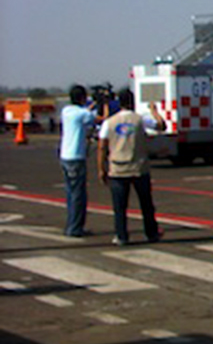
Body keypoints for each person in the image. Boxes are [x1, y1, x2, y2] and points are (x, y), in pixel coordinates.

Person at [97, 89, 165, 246]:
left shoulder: (109, 122)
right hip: (138, 167)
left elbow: (102, 146)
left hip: (118, 168)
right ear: (132, 102)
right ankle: (151, 233)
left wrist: (101, 168)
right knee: (146, 204)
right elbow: (161, 126)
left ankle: (121, 235)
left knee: (120, 206)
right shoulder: (140, 120)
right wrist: (154, 111)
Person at [59, 84, 95, 237]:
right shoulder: (82, 114)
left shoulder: (66, 111)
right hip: (76, 157)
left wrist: (92, 105)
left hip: (65, 156)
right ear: (82, 98)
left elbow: (86, 113)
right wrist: (102, 105)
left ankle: (72, 224)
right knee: (78, 195)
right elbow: (98, 118)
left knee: (71, 193)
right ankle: (75, 228)